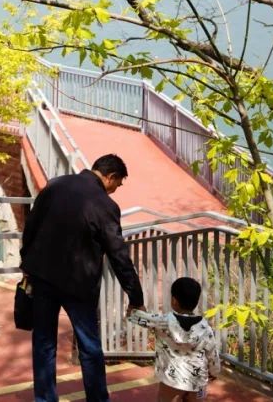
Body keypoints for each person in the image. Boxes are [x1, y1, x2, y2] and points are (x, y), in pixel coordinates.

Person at [20, 153, 145, 402]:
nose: (115, 190)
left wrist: (27, 263)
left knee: (43, 342)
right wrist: (135, 296)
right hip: (78, 285)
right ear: (110, 177)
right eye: (117, 184)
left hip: (42, 276)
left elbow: (31, 226)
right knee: (89, 346)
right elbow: (118, 255)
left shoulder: (55, 185)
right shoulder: (105, 205)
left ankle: (44, 399)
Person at [129, 277, 220, 401]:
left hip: (171, 381)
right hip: (198, 382)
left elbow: (134, 316)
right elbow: (213, 355)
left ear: (174, 301)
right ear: (196, 302)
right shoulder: (205, 328)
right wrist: (214, 372)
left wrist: (137, 308)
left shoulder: (162, 322)